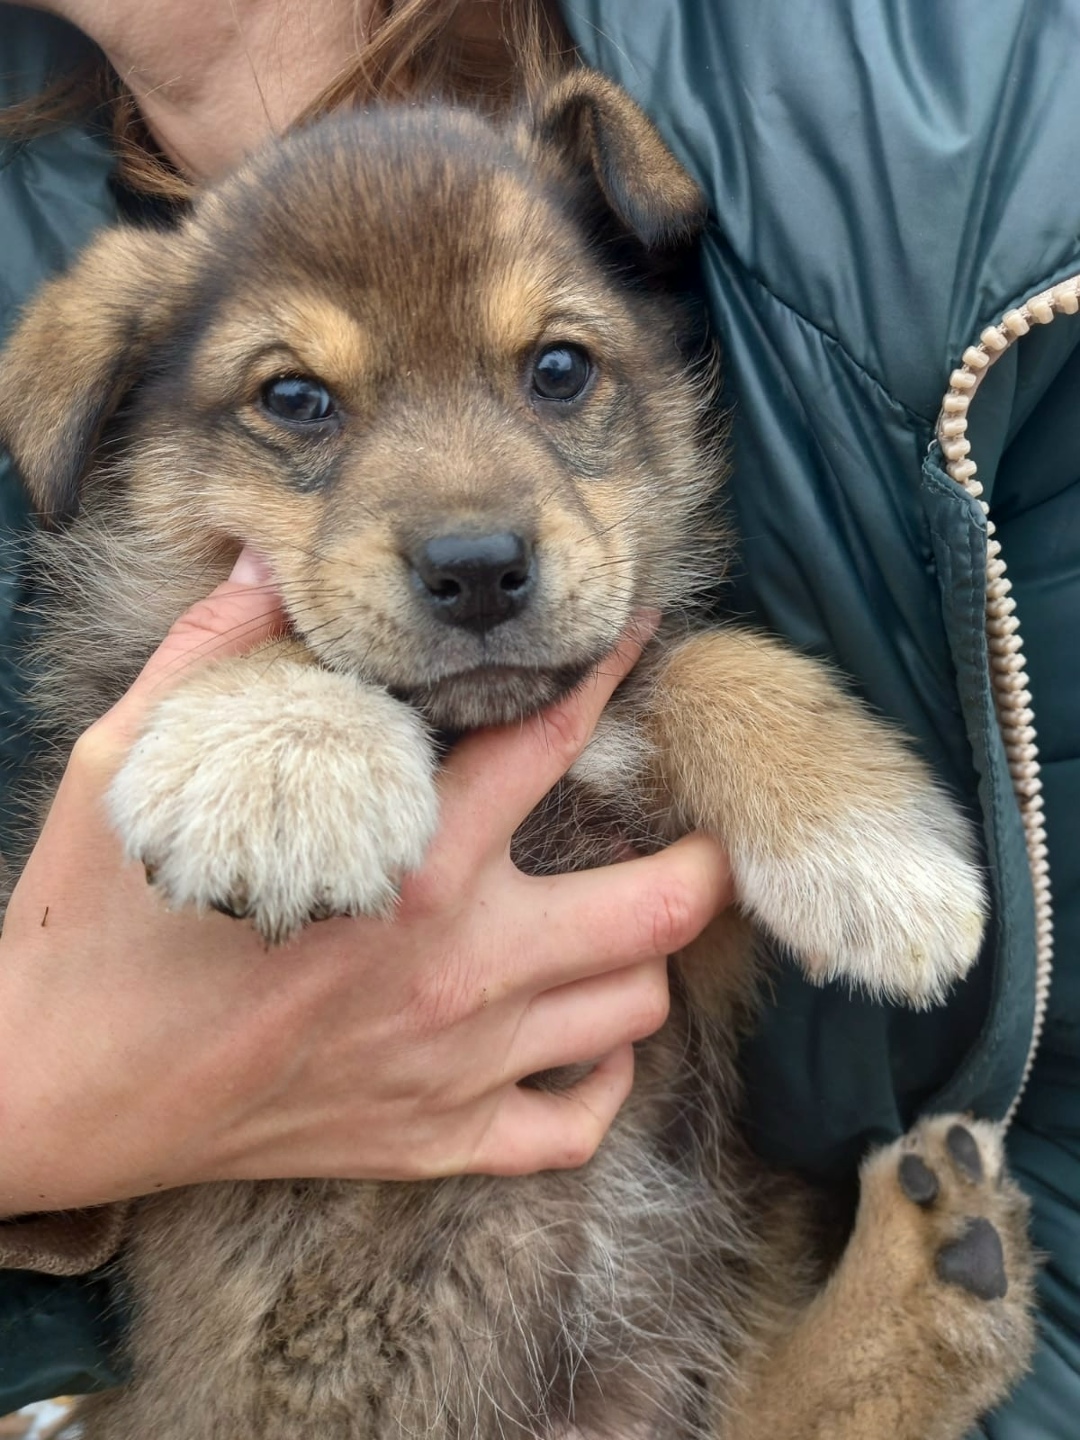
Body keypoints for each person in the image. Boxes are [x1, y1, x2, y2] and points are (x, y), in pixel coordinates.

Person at [0, 2, 1075, 1435]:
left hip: (691, 1300)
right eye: (298, 401)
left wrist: (775, 754)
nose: (469, 526)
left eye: (554, 370)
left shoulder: (939, 102)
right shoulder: (88, 277)